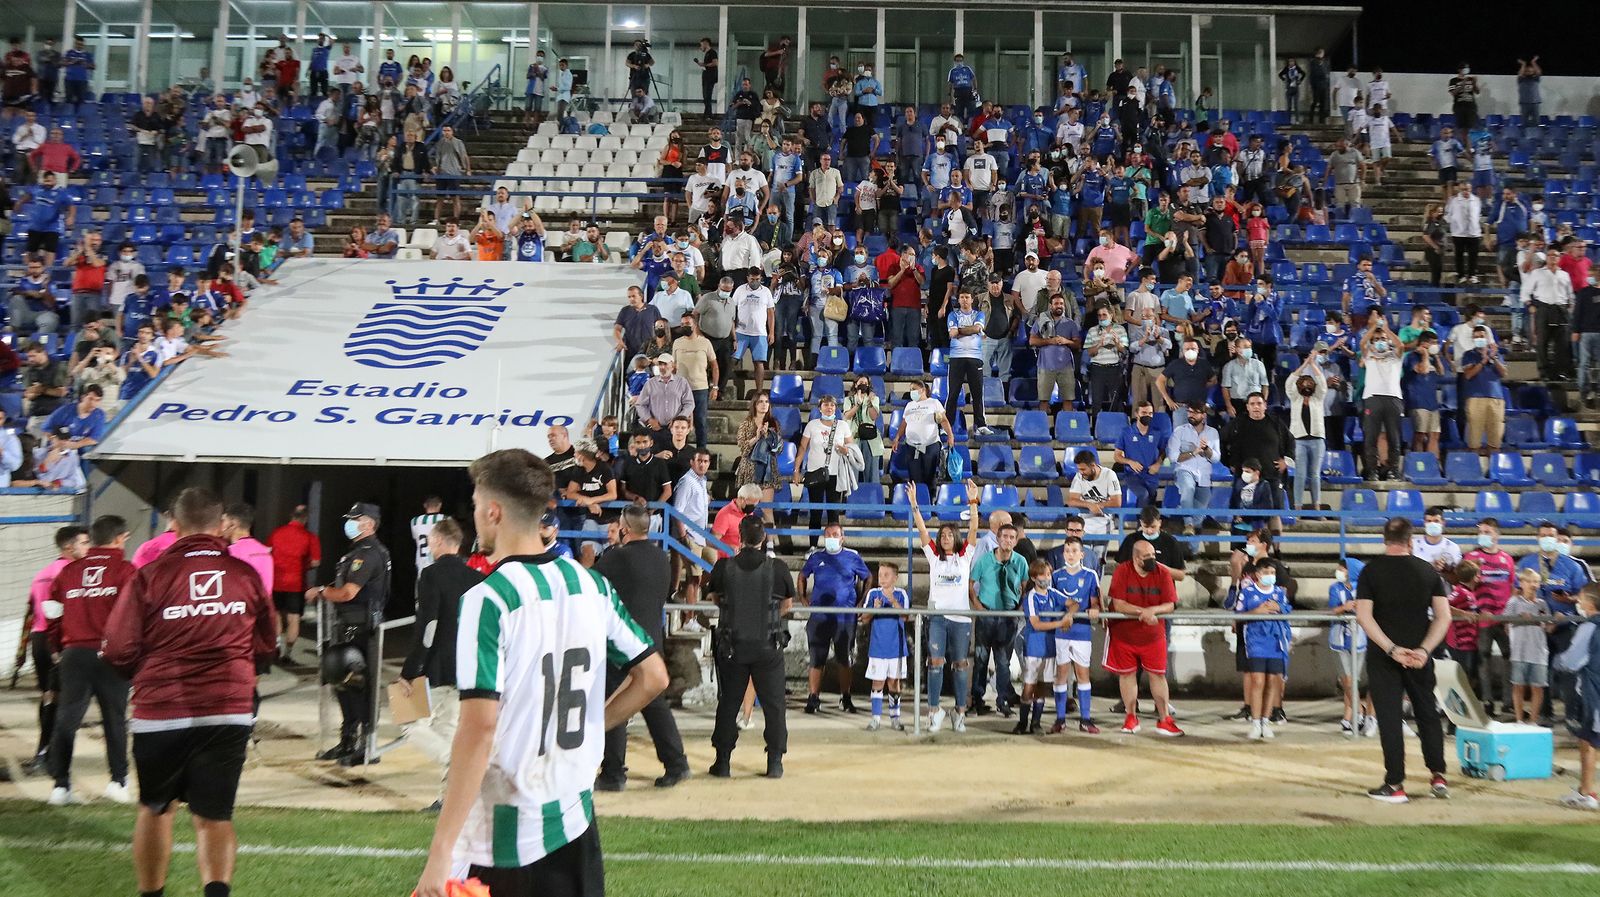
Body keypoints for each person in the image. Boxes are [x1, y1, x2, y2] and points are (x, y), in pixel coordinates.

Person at [413, 450, 666, 897]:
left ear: (493, 512)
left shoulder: (488, 599)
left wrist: (440, 850)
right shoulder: (590, 583)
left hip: (506, 838)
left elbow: (479, 728)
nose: (474, 516)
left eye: (475, 505)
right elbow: (653, 677)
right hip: (575, 821)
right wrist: (592, 726)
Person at [101, 490, 275, 897]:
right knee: (215, 815)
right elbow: (266, 645)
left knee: (156, 808)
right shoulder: (244, 574)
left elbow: (117, 648)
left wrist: (144, 675)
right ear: (221, 525)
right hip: (227, 708)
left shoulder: (149, 575)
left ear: (173, 526)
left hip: (162, 709)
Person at [592, 505, 690, 790]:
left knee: (616, 703)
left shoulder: (616, 558)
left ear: (624, 529)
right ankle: (677, 763)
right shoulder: (661, 556)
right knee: (653, 704)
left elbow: (591, 584)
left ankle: (613, 773)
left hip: (624, 644)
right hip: (652, 642)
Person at [1356, 518, 1452, 803]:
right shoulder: (1427, 571)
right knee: (1427, 714)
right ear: (1411, 541)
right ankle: (1438, 776)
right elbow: (1443, 616)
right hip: (1420, 656)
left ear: (1385, 539)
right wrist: (1423, 650)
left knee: (1389, 717)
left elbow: (1364, 616)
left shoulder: (1370, 572)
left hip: (1384, 657)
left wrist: (1391, 649)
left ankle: (1395, 783)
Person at [42, 515, 135, 806]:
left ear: (93, 539)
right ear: (120, 538)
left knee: (66, 720)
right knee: (115, 721)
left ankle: (60, 786)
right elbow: (135, 617)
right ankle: (118, 783)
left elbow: (52, 613)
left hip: (74, 654)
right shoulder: (126, 570)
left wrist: (57, 646)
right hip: (111, 655)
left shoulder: (68, 572)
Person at [396, 516, 483, 809]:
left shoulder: (431, 574)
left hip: (435, 665)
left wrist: (410, 671)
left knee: (409, 723)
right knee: (447, 727)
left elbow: (428, 627)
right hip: (467, 665)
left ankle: (458, 763)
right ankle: (447, 800)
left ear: (438, 541)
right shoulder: (476, 577)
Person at [706, 515, 794, 780]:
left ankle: (722, 762)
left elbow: (715, 599)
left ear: (740, 537)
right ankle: (775, 762)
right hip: (767, 646)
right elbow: (787, 605)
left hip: (733, 647)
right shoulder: (777, 567)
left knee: (728, 704)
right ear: (764, 538)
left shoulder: (724, 567)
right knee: (775, 705)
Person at [304, 502, 391, 766]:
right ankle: (348, 741)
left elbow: (347, 593)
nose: (350, 523)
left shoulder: (368, 554)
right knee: (344, 684)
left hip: (362, 628)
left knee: (358, 686)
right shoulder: (359, 552)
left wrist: (320, 592)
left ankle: (365, 746)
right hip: (350, 626)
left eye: (355, 519)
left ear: (369, 524)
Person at [910, 481, 981, 733]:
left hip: (960, 619)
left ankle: (960, 712)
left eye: (950, 534)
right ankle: (934, 711)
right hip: (937, 618)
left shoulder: (965, 557)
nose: (946, 537)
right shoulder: (933, 556)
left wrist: (973, 502)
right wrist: (915, 506)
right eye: (943, 535)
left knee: (961, 664)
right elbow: (922, 532)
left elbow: (974, 527)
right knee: (935, 662)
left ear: (957, 539)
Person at [1106, 539, 1184, 737]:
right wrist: (1144, 612)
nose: (1152, 560)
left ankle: (1164, 718)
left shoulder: (1162, 572)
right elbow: (1119, 604)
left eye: (1153, 556)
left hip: (1153, 635)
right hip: (1124, 635)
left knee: (1158, 675)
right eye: (1147, 557)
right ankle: (1130, 716)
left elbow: (1170, 604)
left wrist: (1153, 611)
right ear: (1136, 557)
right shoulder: (1122, 572)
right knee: (1127, 675)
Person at [798, 522, 871, 714]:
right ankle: (813, 698)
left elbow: (868, 577)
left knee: (844, 659)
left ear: (842, 538)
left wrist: (862, 600)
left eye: (835, 534)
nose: (832, 537)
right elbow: (802, 575)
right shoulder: (816, 557)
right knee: (816, 659)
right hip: (820, 617)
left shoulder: (852, 557)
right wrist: (803, 598)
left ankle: (845, 697)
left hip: (845, 617)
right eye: (828, 534)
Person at [970, 522, 1029, 717]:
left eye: (1012, 537)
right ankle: (977, 700)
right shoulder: (985, 560)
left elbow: (1025, 586)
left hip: (1008, 616)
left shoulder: (1020, 562)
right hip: (986, 615)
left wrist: (1019, 609)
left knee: (1003, 663)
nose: (1008, 541)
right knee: (981, 659)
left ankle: (1002, 700)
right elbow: (971, 583)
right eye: (1005, 537)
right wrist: (978, 607)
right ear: (998, 538)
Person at [1229, 557, 1291, 740]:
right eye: (1265, 572)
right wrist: (1256, 612)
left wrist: (1278, 607)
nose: (1269, 576)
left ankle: (1265, 721)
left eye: (1272, 573)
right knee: (1257, 681)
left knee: (1272, 682)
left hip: (1276, 643)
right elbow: (1238, 615)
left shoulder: (1279, 593)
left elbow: (1288, 609)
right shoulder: (1247, 593)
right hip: (1256, 642)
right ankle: (1255, 722)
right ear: (1257, 574)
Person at [1553, 585, 1598, 810]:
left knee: (1589, 741)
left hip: (1594, 692)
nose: (1578, 602)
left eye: (1580, 599)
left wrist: (1557, 661)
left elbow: (1571, 661)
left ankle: (1588, 793)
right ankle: (1584, 789)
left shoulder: (1589, 626)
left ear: (1590, 603)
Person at [791, 394, 855, 544]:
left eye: (832, 405)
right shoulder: (812, 425)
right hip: (815, 473)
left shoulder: (843, 425)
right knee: (815, 512)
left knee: (834, 513)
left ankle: (833, 546)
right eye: (826, 405)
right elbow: (802, 447)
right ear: (820, 408)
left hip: (836, 475)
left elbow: (852, 448)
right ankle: (812, 546)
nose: (829, 408)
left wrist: (845, 450)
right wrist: (796, 470)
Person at [266, 504, 320, 666]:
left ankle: (275, 647)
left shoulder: (276, 533)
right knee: (293, 619)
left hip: (276, 582)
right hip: (296, 584)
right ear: (305, 519)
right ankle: (287, 654)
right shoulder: (310, 537)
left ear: (291, 516)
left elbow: (267, 553)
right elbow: (316, 562)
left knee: (276, 617)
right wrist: (304, 566)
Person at [1328, 557, 1376, 736]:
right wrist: (1344, 607)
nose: (1339, 570)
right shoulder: (1335, 588)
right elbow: (1332, 609)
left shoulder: (1364, 589)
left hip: (1359, 638)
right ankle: (1359, 710)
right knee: (1346, 681)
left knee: (1353, 679)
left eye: (1343, 568)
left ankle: (1351, 715)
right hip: (1339, 639)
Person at [862, 563, 909, 732]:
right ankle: (875, 718)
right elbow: (864, 619)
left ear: (895, 578)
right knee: (877, 682)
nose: (882, 578)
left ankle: (895, 718)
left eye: (886, 575)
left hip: (896, 648)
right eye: (880, 575)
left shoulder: (901, 594)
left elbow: (905, 617)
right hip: (878, 647)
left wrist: (893, 601)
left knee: (894, 683)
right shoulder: (873, 594)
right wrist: (874, 609)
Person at [1506, 568, 1552, 725]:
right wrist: (1520, 619)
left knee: (1537, 687)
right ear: (1522, 583)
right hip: (1519, 651)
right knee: (1518, 686)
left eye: (1536, 582)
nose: (1534, 585)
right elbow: (1506, 623)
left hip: (1539, 651)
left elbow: (1549, 628)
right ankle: (1519, 719)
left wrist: (1556, 620)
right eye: (1530, 581)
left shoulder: (1542, 604)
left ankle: (1533, 720)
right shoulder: (1513, 602)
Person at [410, 495, 447, 576]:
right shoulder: (446, 520)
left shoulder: (415, 521)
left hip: (421, 565)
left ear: (425, 505)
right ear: (440, 505)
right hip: (440, 565)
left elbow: (415, 537)